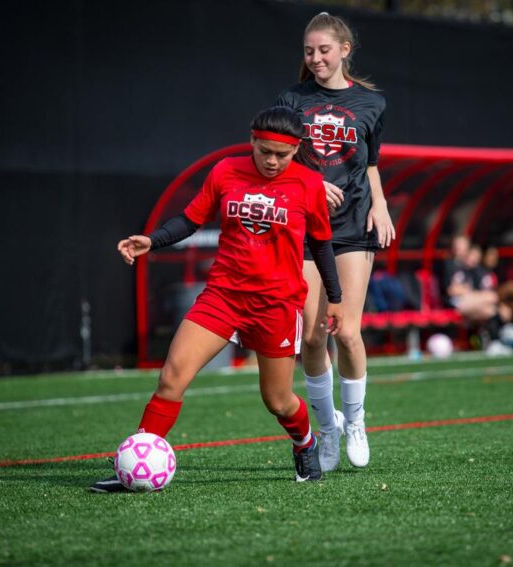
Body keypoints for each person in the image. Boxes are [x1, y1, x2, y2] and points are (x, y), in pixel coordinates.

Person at [90, 106, 344, 491]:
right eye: (265, 152)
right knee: (171, 377)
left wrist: (336, 299)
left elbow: (322, 246)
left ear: (296, 151)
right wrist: (152, 239)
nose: (272, 161)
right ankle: (134, 460)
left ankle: (305, 443)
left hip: (276, 303)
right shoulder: (226, 170)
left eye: (283, 154)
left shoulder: (308, 184)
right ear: (252, 141)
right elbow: (190, 219)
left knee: (277, 401)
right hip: (223, 295)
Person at [275, 12, 395, 472]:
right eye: (309, 51)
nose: (316, 58)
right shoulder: (291, 98)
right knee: (310, 336)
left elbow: (371, 163)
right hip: (304, 228)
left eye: (324, 50)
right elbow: (275, 156)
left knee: (345, 330)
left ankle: (358, 421)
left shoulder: (372, 103)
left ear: (345, 50)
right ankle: (327, 430)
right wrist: (306, 181)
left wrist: (380, 205)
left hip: (352, 229)